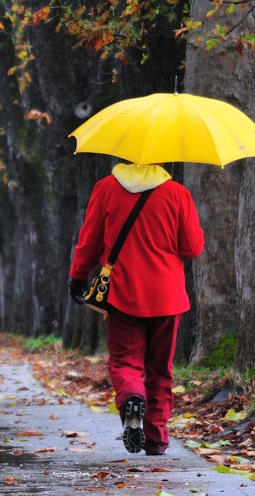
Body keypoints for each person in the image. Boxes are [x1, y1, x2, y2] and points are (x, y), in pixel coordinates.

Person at [68, 162, 204, 455]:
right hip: (167, 296)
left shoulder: (105, 188)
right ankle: (156, 439)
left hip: (123, 292)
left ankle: (132, 397)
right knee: (160, 369)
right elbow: (192, 247)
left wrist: (78, 275)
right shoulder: (177, 193)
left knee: (125, 362)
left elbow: (90, 239)